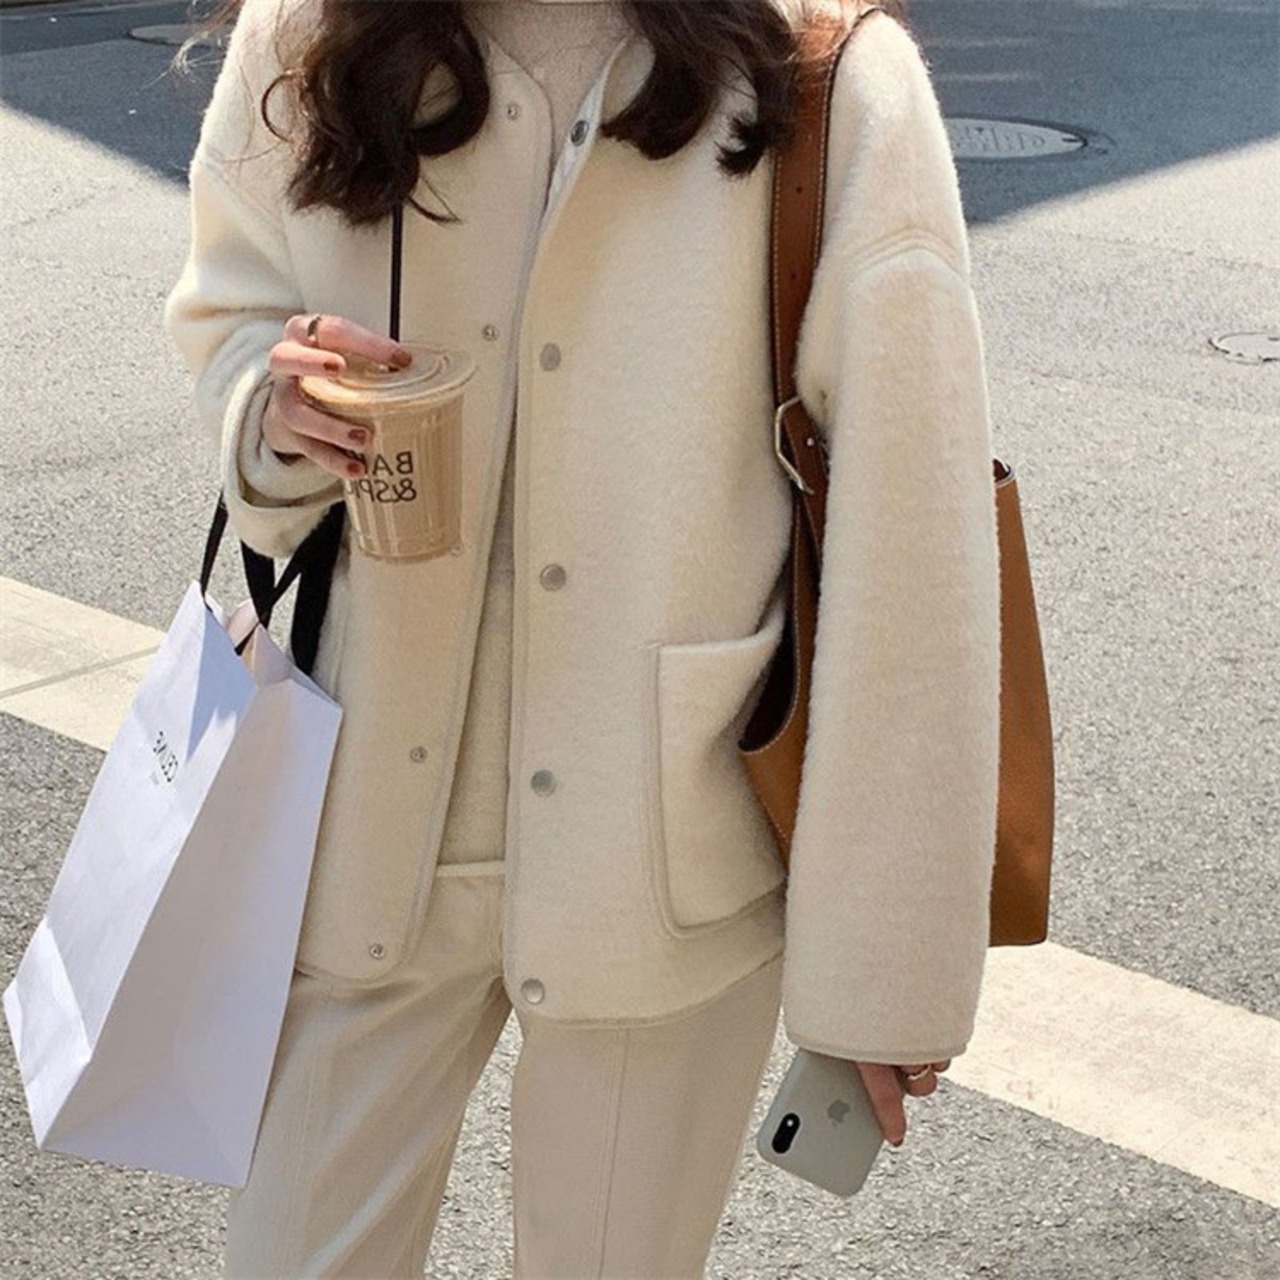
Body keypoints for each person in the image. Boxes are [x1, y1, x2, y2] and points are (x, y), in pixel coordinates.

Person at [163, 0, 1000, 1273]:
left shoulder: (825, 76)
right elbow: (229, 313)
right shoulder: (310, 34)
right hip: (366, 820)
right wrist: (274, 422)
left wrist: (886, 970)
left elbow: (911, 540)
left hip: (660, 848)